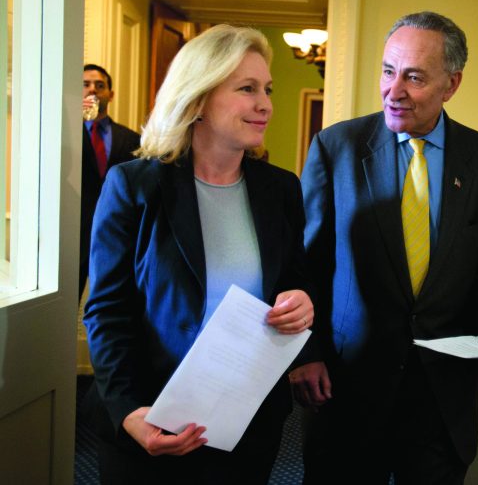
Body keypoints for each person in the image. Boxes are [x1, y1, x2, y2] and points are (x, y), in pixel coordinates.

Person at [291, 11, 478, 484]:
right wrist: (307, 351)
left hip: (441, 396)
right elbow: (305, 264)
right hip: (348, 387)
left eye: (414, 77)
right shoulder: (336, 149)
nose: (394, 91)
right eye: (388, 71)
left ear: (451, 84)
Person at [82, 24, 314, 484]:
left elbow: (294, 280)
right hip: (153, 415)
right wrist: (130, 412)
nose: (265, 103)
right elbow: (107, 312)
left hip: (247, 423)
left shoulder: (281, 189)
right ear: (199, 97)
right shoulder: (134, 185)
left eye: (266, 89)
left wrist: (302, 304)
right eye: (247, 89)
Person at [80, 64, 141, 299]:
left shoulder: (131, 138)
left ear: (111, 94)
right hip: (73, 230)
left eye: (100, 85)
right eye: (85, 84)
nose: (92, 90)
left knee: (112, 297)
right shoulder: (64, 134)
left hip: (117, 230)